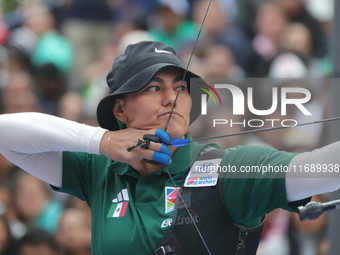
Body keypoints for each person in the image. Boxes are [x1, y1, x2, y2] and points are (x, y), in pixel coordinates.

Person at [0, 40, 339, 255]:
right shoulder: (100, 170)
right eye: (152, 87)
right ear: (120, 109)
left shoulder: (228, 169)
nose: (171, 98)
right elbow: (6, 134)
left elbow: (325, 167)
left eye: (181, 86)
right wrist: (101, 142)